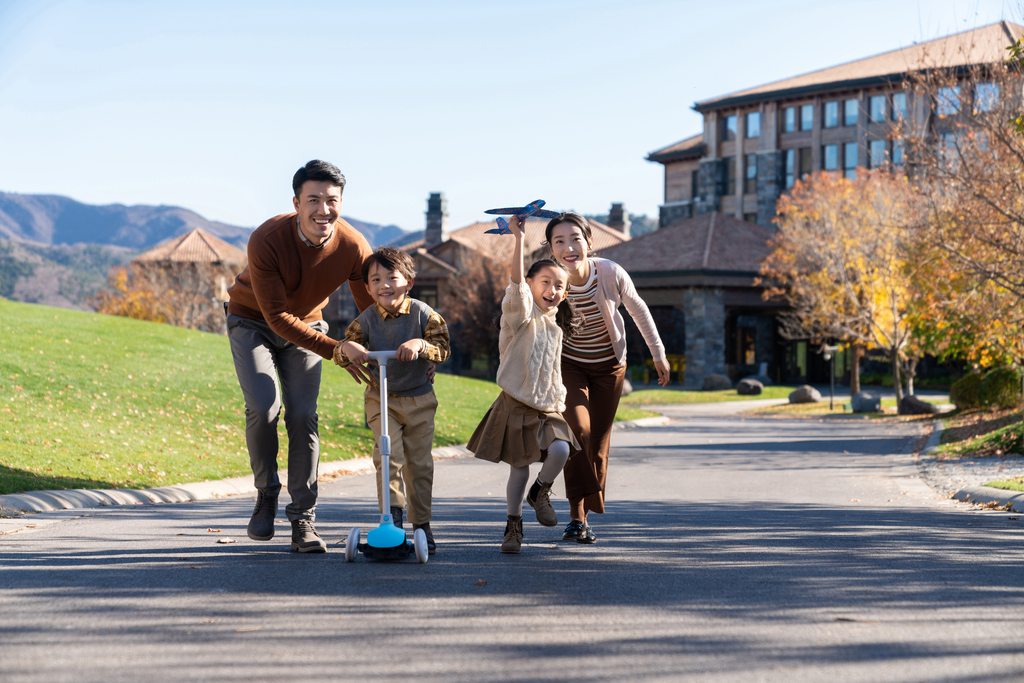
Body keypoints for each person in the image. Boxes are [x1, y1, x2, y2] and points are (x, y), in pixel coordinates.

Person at [225, 159, 376, 553]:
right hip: (252, 321)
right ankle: (266, 493)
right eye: (313, 200)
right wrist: (337, 350)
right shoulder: (267, 239)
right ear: (296, 203)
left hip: (307, 328)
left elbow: (370, 313)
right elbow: (275, 316)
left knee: (304, 416)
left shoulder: (354, 246)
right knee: (263, 406)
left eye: (332, 200)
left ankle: (303, 520)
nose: (323, 209)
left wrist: (387, 351)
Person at [545, 212, 669, 544]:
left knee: (597, 443)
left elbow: (638, 309)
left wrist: (658, 353)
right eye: (559, 242)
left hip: (610, 367)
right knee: (577, 432)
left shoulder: (610, 272)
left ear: (588, 241)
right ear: (551, 249)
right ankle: (576, 517)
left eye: (575, 239)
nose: (569, 247)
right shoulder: (551, 280)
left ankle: (585, 514)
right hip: (569, 365)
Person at [466, 215, 582, 554]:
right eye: (545, 282)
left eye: (560, 285)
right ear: (531, 284)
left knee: (561, 449)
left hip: (548, 407)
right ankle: (513, 525)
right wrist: (519, 239)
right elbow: (516, 285)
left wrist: (559, 400)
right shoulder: (519, 317)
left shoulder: (554, 328)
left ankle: (540, 491)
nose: (553, 290)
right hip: (517, 403)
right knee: (519, 469)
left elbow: (551, 371)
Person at [333, 247, 450, 554]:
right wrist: (347, 349)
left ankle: (421, 523)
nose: (384, 284)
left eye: (391, 277)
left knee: (419, 464)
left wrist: (420, 344)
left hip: (419, 399)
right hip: (381, 398)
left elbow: (442, 347)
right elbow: (342, 349)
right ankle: (393, 519)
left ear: (408, 282)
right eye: (376, 279)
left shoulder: (424, 314)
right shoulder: (366, 320)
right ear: (368, 288)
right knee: (388, 456)